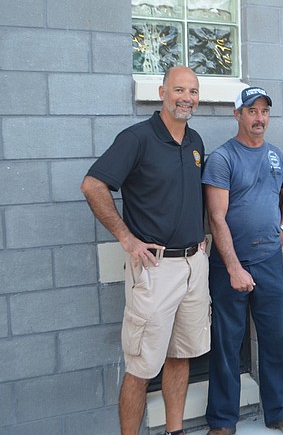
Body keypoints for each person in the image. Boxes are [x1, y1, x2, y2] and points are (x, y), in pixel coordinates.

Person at [80, 66, 209, 435]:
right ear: (162, 92)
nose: (187, 98)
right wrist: (127, 238)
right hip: (155, 269)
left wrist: (199, 239)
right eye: (179, 90)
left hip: (193, 266)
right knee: (140, 367)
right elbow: (93, 185)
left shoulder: (195, 141)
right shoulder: (137, 139)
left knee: (181, 355)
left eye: (194, 92)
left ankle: (175, 430)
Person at [203, 87, 283, 435]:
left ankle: (279, 412)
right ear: (237, 115)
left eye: (264, 111)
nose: (259, 118)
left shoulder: (277, 156)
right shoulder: (222, 159)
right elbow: (216, 218)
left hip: (270, 262)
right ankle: (222, 421)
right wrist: (233, 268)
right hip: (230, 264)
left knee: (275, 340)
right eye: (251, 111)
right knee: (227, 344)